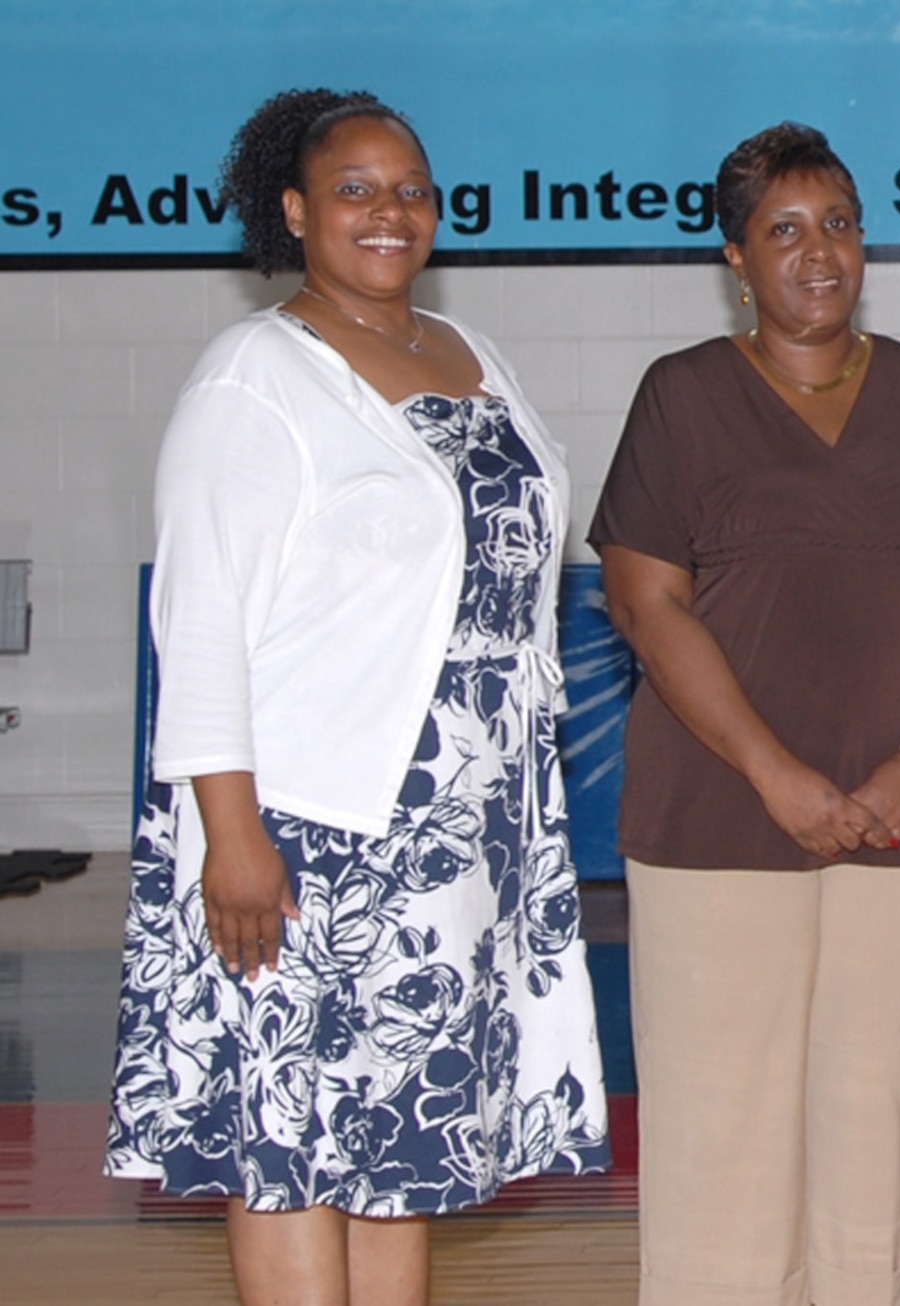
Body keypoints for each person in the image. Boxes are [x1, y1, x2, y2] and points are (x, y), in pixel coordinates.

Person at [104, 89, 610, 1304]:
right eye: (355, 189)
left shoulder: (471, 353)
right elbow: (202, 620)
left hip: (460, 833)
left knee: (405, 1148)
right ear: (293, 210)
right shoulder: (256, 373)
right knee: (287, 1141)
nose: (392, 213)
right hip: (309, 827)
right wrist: (232, 835)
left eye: (411, 189)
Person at [588, 122, 900, 1306]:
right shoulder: (681, 396)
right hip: (717, 811)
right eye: (783, 230)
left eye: (837, 224)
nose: (817, 252)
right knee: (720, 1115)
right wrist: (773, 772)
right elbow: (644, 596)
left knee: (876, 1107)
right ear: (736, 255)